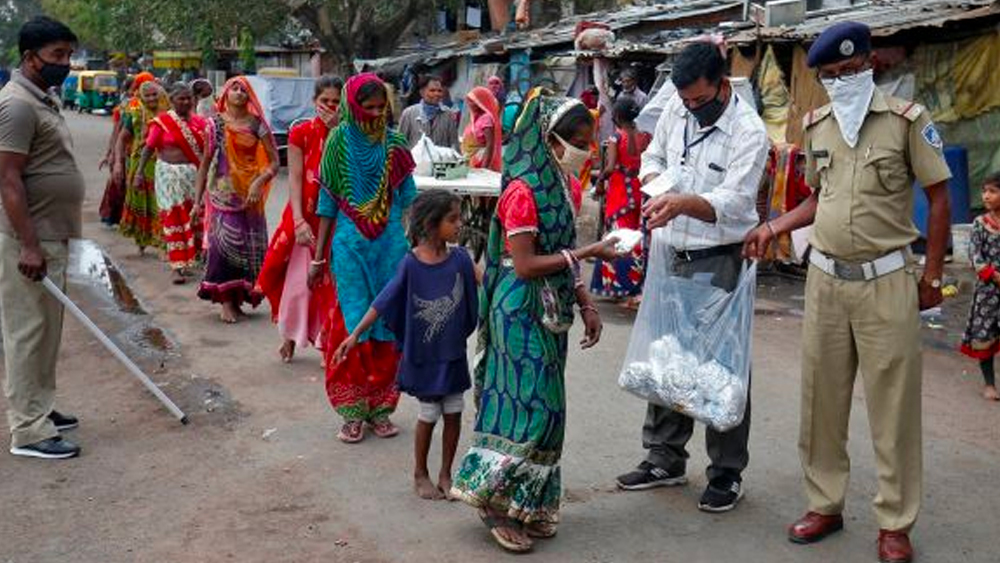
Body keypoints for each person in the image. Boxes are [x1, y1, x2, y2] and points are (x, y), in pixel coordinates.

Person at [743, 22, 952, 563]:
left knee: (894, 409)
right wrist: (774, 226)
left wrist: (931, 275)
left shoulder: (908, 121)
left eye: (848, 70)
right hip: (826, 280)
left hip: (887, 280)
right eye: (830, 76)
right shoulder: (817, 126)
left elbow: (939, 196)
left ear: (869, 65)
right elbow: (819, 197)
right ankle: (825, 503)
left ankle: (895, 522)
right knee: (821, 400)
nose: (841, 81)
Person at [449, 89, 620, 553]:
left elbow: (560, 256)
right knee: (526, 407)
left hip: (551, 309)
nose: (585, 150)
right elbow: (524, 265)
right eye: (579, 141)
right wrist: (590, 251)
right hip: (518, 308)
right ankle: (494, 503)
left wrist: (584, 299)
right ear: (551, 140)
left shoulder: (564, 187)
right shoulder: (521, 192)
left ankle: (531, 502)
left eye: (590, 140)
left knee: (551, 410)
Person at [615, 42, 768, 514]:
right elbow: (652, 159)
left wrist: (684, 203)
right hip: (669, 249)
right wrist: (664, 191)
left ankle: (726, 472)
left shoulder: (750, 131)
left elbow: (738, 203)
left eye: (700, 101)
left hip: (720, 253)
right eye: (686, 102)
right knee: (667, 356)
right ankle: (664, 458)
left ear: (723, 85)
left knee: (720, 367)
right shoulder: (676, 112)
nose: (692, 109)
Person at [333, 189, 478, 500]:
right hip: (425, 356)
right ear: (430, 223)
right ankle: (420, 472)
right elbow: (384, 300)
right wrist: (355, 334)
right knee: (428, 412)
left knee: (454, 409)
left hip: (452, 353)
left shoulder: (462, 260)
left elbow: (487, 285)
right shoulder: (411, 264)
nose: (460, 224)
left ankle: (446, 473)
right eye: (452, 219)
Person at [306, 73, 417, 443]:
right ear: (352, 107)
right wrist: (319, 259)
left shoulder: (396, 143)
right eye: (365, 108)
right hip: (349, 247)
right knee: (353, 325)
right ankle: (351, 412)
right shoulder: (337, 142)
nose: (373, 114)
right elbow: (327, 204)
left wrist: (417, 249)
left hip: (390, 246)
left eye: (379, 107)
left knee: (389, 326)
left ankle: (382, 409)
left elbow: (407, 201)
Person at [0, 16, 83, 459]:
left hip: (51, 236)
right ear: (30, 58)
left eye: (68, 55)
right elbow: (8, 180)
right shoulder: (15, 105)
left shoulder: (42, 98)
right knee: (28, 332)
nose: (65, 64)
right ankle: (28, 431)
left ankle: (40, 407)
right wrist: (28, 244)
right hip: (28, 240)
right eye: (57, 56)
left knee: (47, 330)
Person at [257, 75, 342, 363]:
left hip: (336, 221)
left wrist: (337, 133)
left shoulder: (348, 135)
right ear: (314, 102)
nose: (330, 106)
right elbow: (293, 179)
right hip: (304, 217)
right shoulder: (300, 132)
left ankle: (325, 342)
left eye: (335, 101)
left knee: (331, 285)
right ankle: (290, 338)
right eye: (324, 101)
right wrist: (297, 221)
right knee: (297, 285)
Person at [194, 76, 279, 324]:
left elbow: (274, 161)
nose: (240, 93)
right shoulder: (215, 125)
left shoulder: (257, 124)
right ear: (225, 94)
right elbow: (205, 163)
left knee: (249, 249)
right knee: (222, 248)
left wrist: (259, 181)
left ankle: (238, 298)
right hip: (222, 194)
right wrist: (198, 201)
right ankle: (225, 302)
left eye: (244, 89)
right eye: (235, 89)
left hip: (250, 196)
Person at [132, 83, 208, 284]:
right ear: (172, 101)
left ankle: (192, 259)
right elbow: (149, 148)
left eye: (188, 98)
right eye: (181, 99)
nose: (185, 102)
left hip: (193, 177)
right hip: (168, 176)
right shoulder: (162, 123)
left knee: (194, 218)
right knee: (174, 218)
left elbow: (208, 153)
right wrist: (139, 173)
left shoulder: (201, 124)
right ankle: (177, 266)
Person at [590, 98, 651, 307]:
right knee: (635, 237)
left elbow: (610, 167)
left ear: (616, 117)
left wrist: (598, 182)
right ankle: (633, 284)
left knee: (617, 237)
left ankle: (619, 286)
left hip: (619, 191)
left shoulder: (616, 137)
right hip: (639, 188)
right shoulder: (644, 137)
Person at [117, 79, 169, 254]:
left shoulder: (168, 111)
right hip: (139, 163)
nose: (152, 98)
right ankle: (141, 241)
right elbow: (122, 138)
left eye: (155, 94)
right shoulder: (134, 112)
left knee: (161, 203)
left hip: (162, 163)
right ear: (141, 97)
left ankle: (163, 243)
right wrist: (117, 162)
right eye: (148, 96)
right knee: (141, 202)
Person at [961, 173, 1000, 402]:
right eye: (984, 191)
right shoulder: (979, 224)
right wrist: (994, 276)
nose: (986, 195)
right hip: (987, 290)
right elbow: (975, 257)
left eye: (993, 191)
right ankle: (989, 385)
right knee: (985, 334)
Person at [98, 74, 137, 226]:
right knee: (118, 184)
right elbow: (117, 133)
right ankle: (112, 216)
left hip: (138, 154)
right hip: (126, 152)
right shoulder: (125, 108)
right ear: (128, 91)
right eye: (135, 89)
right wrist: (112, 154)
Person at [398, 74, 459, 149]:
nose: (436, 94)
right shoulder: (409, 114)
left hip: (441, 160)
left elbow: (454, 143)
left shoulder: (448, 114)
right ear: (422, 92)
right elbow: (400, 143)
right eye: (432, 90)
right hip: (415, 160)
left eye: (439, 91)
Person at [461, 86, 501, 171]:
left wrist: (484, 168)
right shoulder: (476, 118)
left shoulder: (486, 119)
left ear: (480, 102)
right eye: (469, 100)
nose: (469, 104)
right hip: (470, 161)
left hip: (480, 162)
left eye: (473, 101)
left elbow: (490, 145)